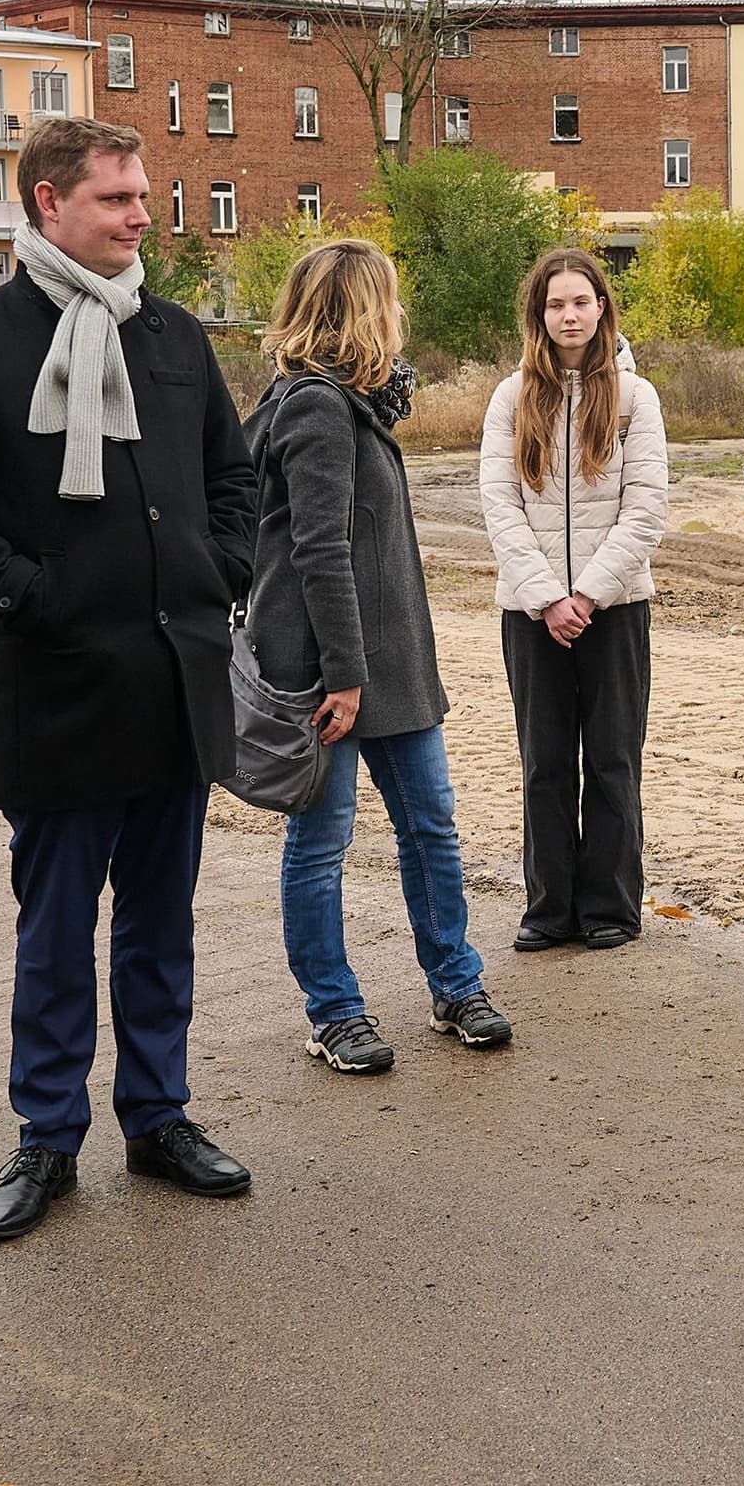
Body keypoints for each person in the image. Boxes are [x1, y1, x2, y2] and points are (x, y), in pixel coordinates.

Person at [0, 118, 266, 1239]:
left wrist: (219, 574)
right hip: (56, 689)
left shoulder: (171, 335)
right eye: (117, 199)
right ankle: (45, 1139)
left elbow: (232, 481)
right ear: (50, 206)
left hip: (173, 685)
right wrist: (41, 597)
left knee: (162, 923)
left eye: (143, 196)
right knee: (54, 932)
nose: (142, 214)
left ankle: (159, 1120)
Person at [249, 237, 505, 1074]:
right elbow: (321, 552)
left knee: (431, 828)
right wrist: (346, 677)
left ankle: (456, 984)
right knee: (322, 844)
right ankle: (333, 1011)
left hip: (393, 669)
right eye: (391, 302)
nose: (401, 316)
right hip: (336, 675)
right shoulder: (317, 406)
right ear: (363, 310)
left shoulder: (350, 403)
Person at [479, 248, 670, 951]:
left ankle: (611, 908)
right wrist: (545, 598)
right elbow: (499, 508)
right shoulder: (510, 398)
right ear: (539, 313)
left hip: (614, 608)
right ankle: (548, 907)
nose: (569, 315)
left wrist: (587, 593)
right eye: (555, 304)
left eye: (580, 302)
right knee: (545, 761)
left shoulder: (633, 398)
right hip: (532, 615)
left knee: (614, 758)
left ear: (601, 308)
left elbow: (646, 509)